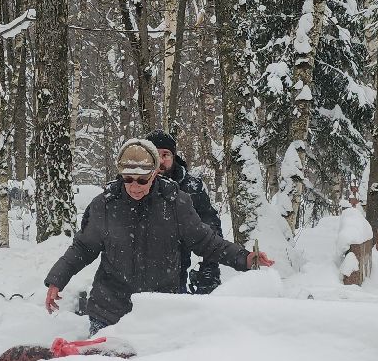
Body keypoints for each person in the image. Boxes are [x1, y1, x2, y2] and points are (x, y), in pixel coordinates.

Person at [44, 139, 272, 332]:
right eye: (128, 179)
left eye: (142, 180)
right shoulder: (104, 205)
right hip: (109, 313)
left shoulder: (175, 203)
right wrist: (57, 280)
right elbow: (83, 248)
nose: (135, 187)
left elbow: (206, 242)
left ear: (154, 173)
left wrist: (245, 258)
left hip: (160, 313)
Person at [145, 130, 223, 294]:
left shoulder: (191, 188)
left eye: (165, 154)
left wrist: (209, 269)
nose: (160, 160)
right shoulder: (130, 184)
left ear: (173, 157)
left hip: (175, 273)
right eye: (154, 155)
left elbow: (210, 229)